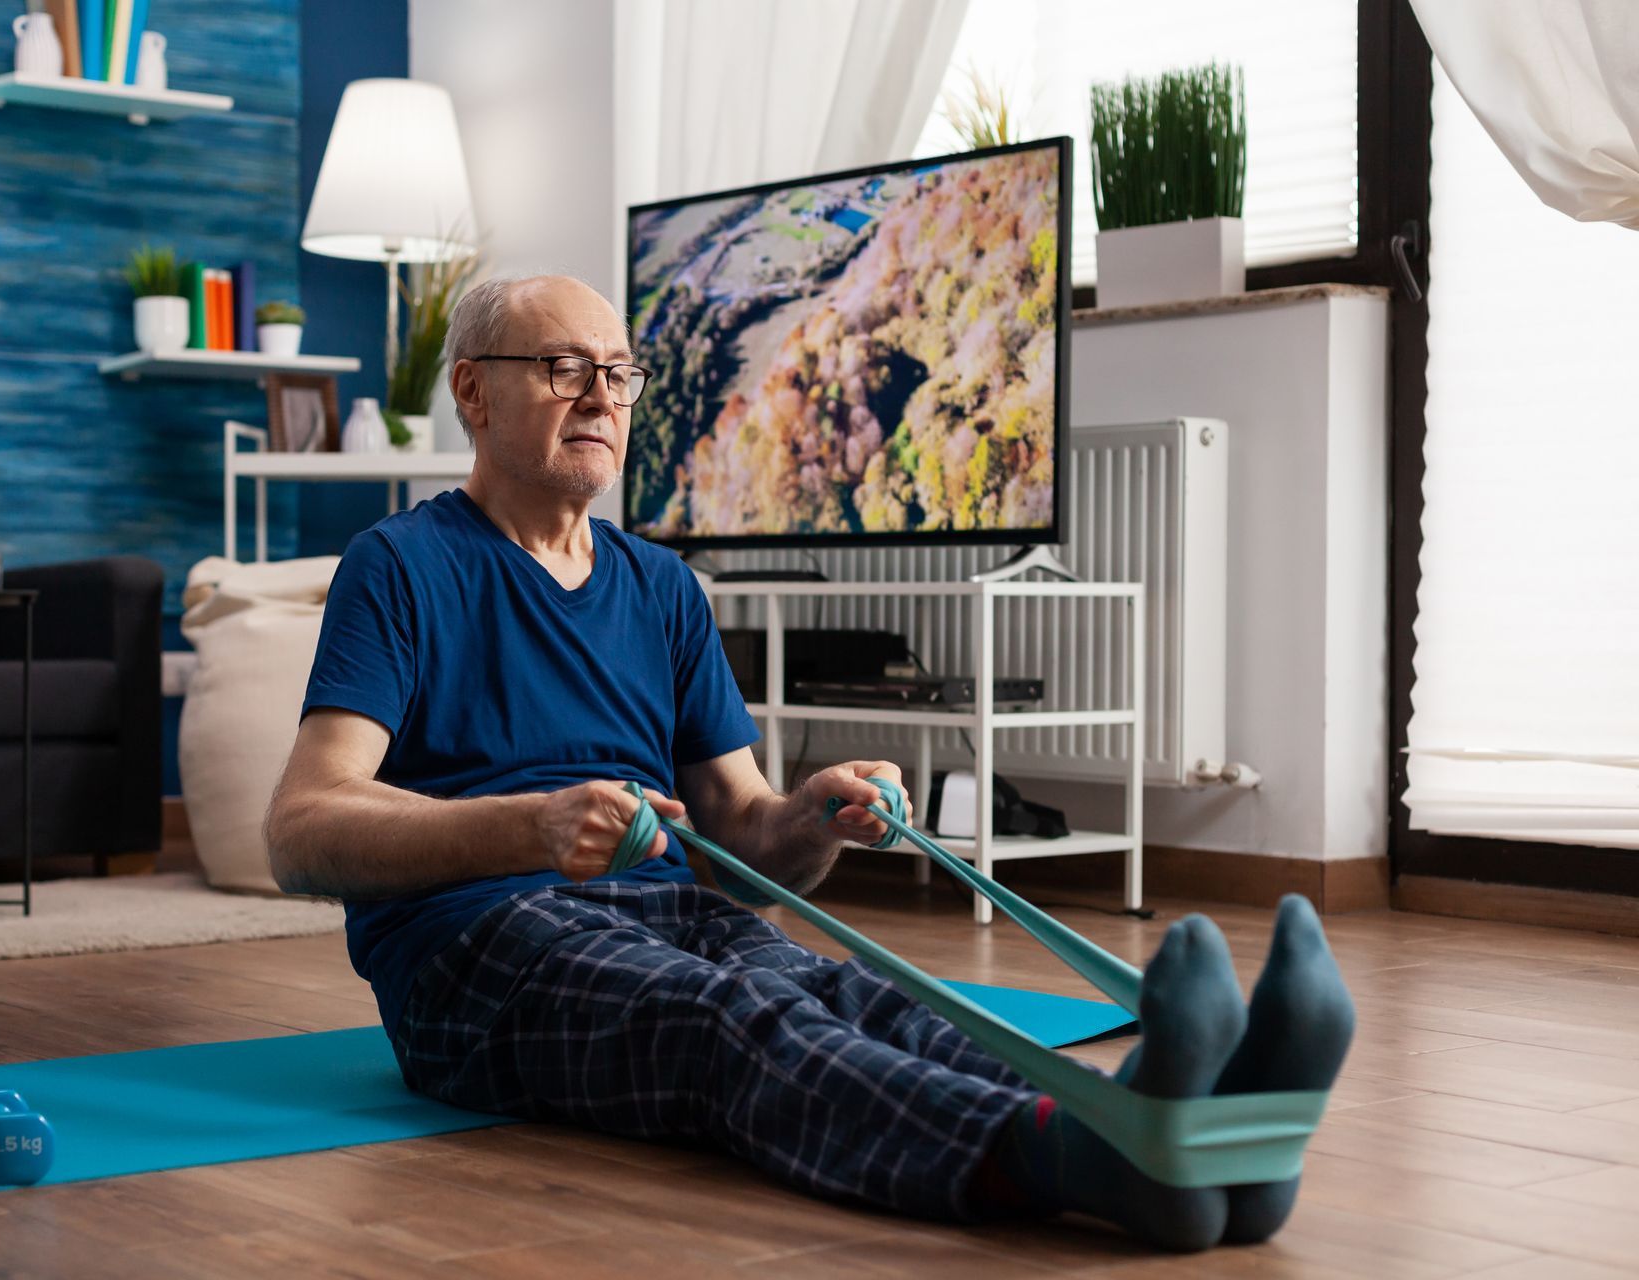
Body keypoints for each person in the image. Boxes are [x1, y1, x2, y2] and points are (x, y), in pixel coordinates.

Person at [264, 274, 1354, 1253]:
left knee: (851, 995)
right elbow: (303, 829)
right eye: (563, 369)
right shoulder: (401, 565)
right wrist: (528, 826)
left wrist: (813, 818)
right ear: (472, 391)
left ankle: (1180, 1131)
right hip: (476, 946)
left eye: (618, 373)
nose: (600, 395)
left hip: (656, 909)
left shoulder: (663, 589)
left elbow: (740, 835)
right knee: (727, 1020)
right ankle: (1084, 1161)